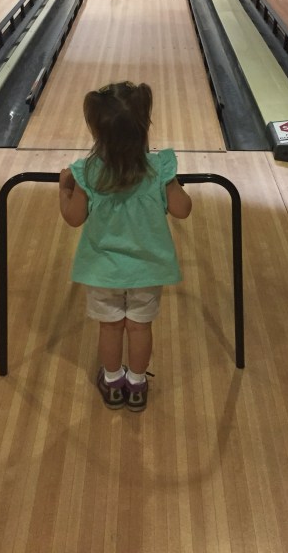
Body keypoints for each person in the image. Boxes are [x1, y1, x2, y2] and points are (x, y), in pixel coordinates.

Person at [59, 81, 192, 412]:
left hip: (103, 271)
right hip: (147, 270)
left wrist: (64, 190)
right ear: (143, 128)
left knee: (111, 326)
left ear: (97, 134)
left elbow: (73, 218)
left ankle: (113, 381)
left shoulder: (87, 173)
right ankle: (136, 384)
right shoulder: (159, 169)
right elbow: (182, 209)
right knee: (139, 326)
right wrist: (171, 182)